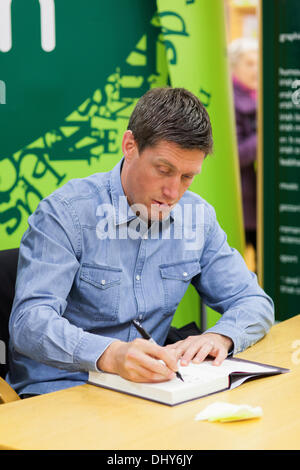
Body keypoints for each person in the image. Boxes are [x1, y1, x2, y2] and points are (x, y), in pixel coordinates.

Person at [7, 87, 274, 397]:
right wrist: (109, 354)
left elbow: (254, 301)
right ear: (129, 146)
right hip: (61, 392)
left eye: (188, 177)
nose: (173, 192)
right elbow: (29, 323)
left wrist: (221, 336)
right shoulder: (66, 214)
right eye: (164, 170)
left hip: (150, 393)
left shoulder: (197, 217)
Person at [228, 38, 258, 254]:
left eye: (258, 63)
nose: (256, 69)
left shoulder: (261, 94)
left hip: (263, 197)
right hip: (243, 199)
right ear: (234, 66)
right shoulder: (228, 100)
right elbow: (234, 155)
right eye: (249, 63)